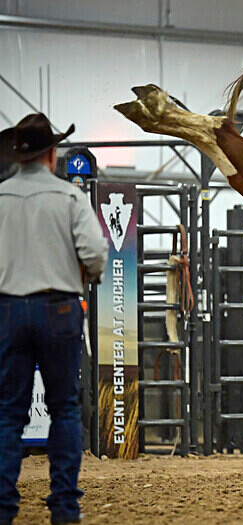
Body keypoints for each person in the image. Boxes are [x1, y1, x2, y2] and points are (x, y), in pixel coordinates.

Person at [0, 113, 108, 524]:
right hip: (59, 306)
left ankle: (4, 508)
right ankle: (64, 507)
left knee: (8, 412)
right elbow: (95, 253)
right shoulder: (69, 198)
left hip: (8, 307)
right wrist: (87, 275)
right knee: (64, 407)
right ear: (51, 154)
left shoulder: (1, 197)